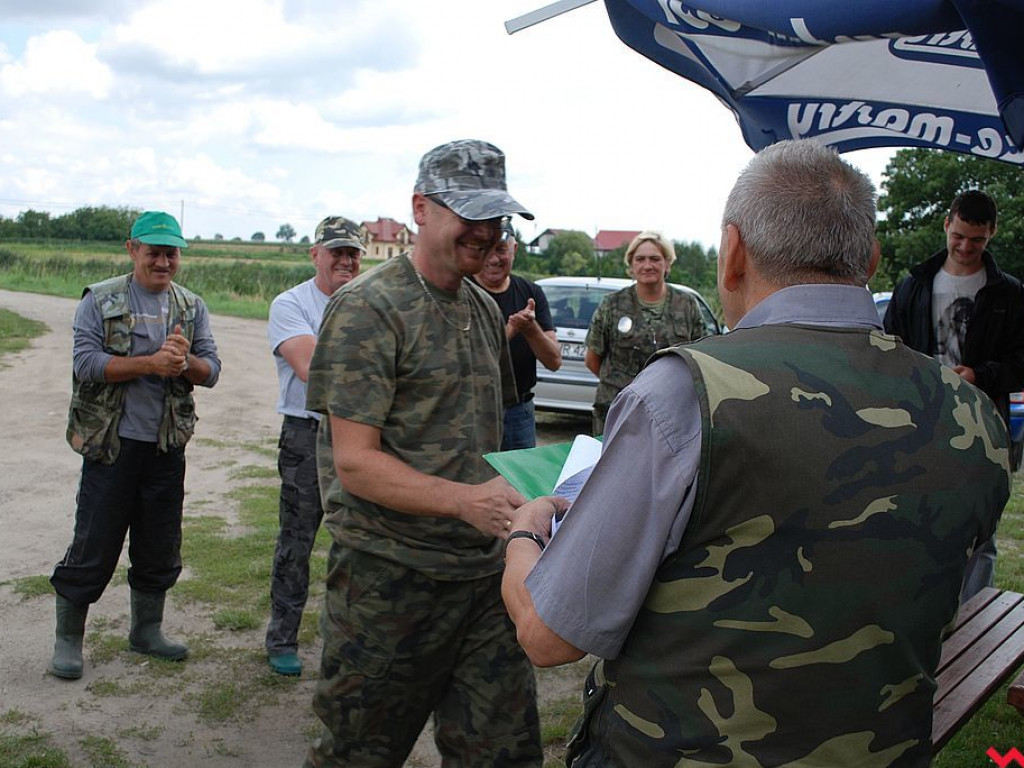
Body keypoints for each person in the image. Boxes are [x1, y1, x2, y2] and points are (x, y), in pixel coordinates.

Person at [502, 141, 1010, 767]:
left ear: (732, 252)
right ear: (872, 259)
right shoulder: (972, 415)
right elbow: (948, 602)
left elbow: (549, 635)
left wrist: (526, 530)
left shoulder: (684, 392)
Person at [303, 139, 542, 767]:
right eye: (470, 212)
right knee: (359, 753)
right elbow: (354, 463)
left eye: (497, 218)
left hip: (484, 581)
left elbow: (489, 440)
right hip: (389, 584)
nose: (487, 232)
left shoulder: (487, 313)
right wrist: (465, 502)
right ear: (420, 209)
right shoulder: (368, 309)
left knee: (505, 754)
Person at [50, 210, 222, 680]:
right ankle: (68, 642)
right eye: (154, 252)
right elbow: (86, 363)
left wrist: (184, 363)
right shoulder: (99, 299)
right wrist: (150, 363)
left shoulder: (191, 306)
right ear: (132, 250)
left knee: (159, 545)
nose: (163, 262)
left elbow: (212, 372)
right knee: (94, 543)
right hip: (111, 446)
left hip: (166, 449)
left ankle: (146, 632)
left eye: (171, 253)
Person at [884, 190, 1024, 600]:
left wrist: (979, 374)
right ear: (947, 224)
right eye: (959, 236)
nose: (965, 247)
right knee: (916, 517)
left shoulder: (1010, 294)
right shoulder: (914, 285)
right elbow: (890, 346)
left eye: (976, 240)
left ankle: (976, 616)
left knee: (981, 527)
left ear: (992, 234)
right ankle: (920, 608)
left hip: (985, 421)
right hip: (921, 420)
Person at [264, 216, 366, 677]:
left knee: (361, 544)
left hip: (363, 434)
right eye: (336, 252)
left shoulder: (370, 305)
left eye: (353, 253)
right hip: (307, 435)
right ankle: (282, 638)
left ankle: (351, 642)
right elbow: (311, 370)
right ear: (316, 255)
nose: (345, 260)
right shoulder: (291, 304)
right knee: (297, 541)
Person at [584, 230, 707, 435]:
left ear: (667, 264)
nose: (647, 265)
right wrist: (628, 387)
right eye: (640, 259)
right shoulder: (611, 305)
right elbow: (592, 359)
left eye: (655, 259)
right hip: (616, 409)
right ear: (631, 266)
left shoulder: (687, 305)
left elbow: (700, 359)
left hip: (670, 412)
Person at [471, 220, 561, 450]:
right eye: (486, 249)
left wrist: (531, 329)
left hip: (519, 413)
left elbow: (554, 361)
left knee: (518, 485)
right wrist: (511, 329)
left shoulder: (531, 292)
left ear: (515, 250)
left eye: (501, 250)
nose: (493, 259)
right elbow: (471, 361)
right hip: (472, 412)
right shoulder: (462, 291)